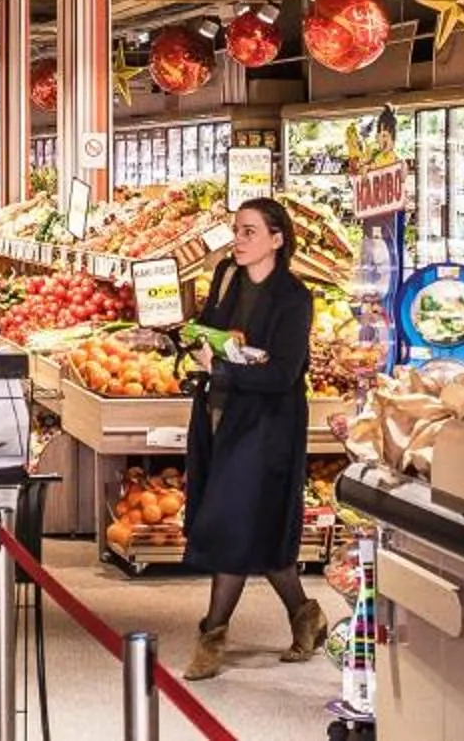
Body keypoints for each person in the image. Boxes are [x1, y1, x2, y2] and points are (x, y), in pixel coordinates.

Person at [177, 197, 327, 680]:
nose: (238, 241)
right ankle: (307, 616)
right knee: (255, 529)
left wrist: (223, 367)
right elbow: (216, 332)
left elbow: (283, 374)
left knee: (231, 523)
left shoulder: (293, 298)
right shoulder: (227, 277)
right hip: (220, 417)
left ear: (277, 239)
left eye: (249, 232)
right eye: (236, 231)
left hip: (267, 427)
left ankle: (212, 635)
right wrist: (197, 342)